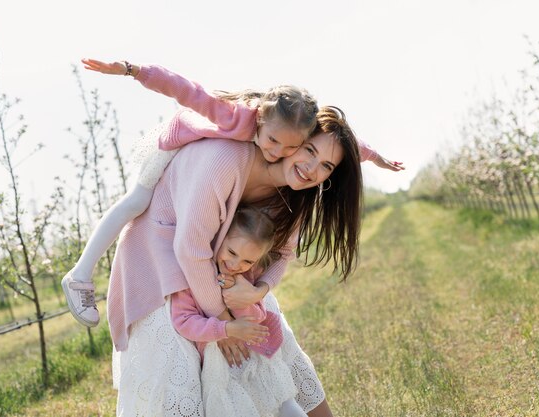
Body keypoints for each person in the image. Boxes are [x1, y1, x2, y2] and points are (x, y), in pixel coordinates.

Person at [62, 59, 404, 328]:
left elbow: (343, 143)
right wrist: (131, 70)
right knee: (136, 201)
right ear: (259, 122)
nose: (277, 152)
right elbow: (185, 90)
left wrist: (378, 159)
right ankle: (80, 274)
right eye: (271, 142)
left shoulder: (295, 135)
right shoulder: (235, 116)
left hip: (205, 169)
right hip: (173, 145)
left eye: (292, 146)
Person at [110, 105, 363, 416]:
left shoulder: (297, 193)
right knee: (182, 378)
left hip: (228, 276)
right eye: (309, 150)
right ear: (292, 140)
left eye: (326, 166)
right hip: (168, 269)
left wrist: (258, 292)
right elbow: (190, 251)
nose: (312, 168)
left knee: (280, 365)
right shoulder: (231, 158)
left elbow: (285, 253)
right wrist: (224, 319)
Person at [171, 205, 307, 416]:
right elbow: (184, 321)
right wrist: (226, 329)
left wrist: (240, 297)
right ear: (220, 238)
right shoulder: (191, 277)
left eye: (247, 261)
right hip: (220, 363)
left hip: (255, 357)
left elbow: (257, 317)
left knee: (282, 403)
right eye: (232, 252)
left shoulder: (247, 276)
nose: (235, 264)